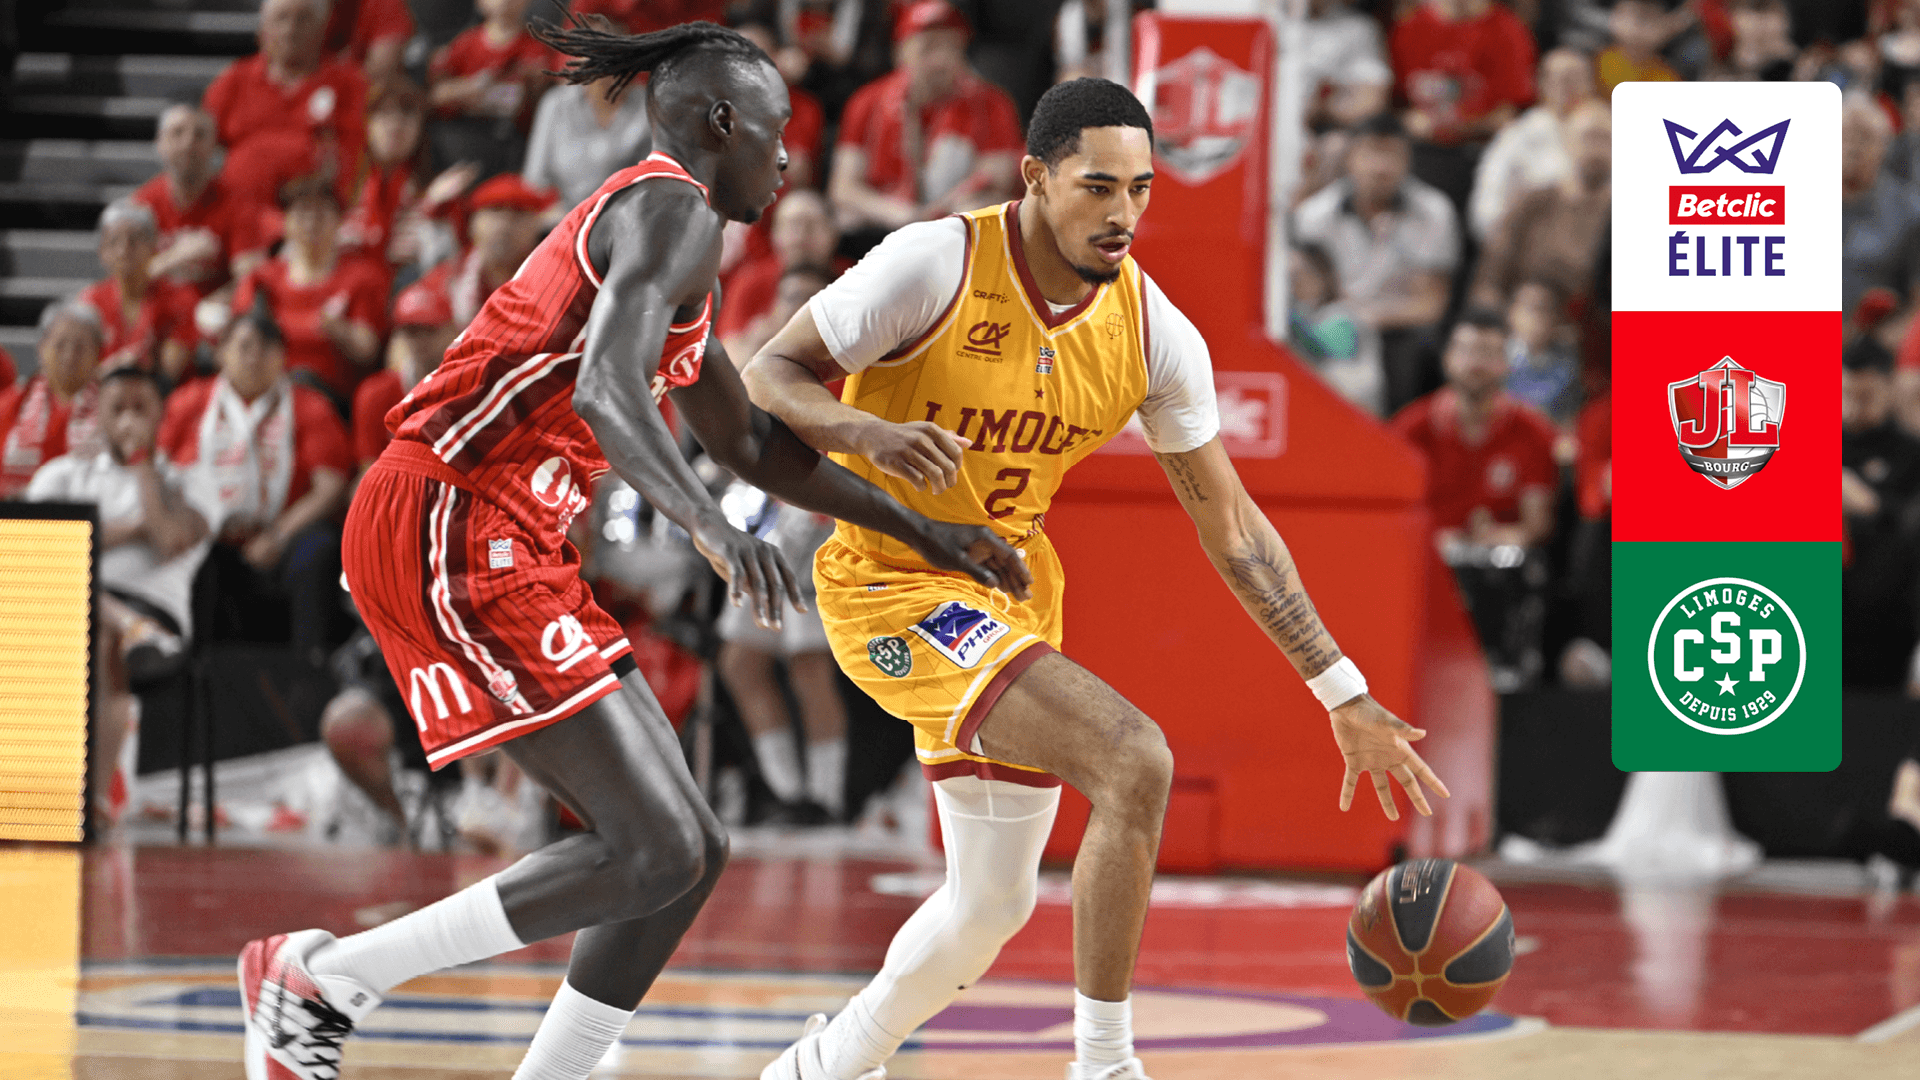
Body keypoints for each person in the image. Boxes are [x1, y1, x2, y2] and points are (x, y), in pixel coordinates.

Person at [234, 23, 1028, 1080]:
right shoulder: (671, 208)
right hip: (452, 512)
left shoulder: (674, 239)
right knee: (656, 845)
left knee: (688, 853)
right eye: (778, 131)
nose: (790, 155)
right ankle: (325, 979)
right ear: (723, 122)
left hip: (504, 529)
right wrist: (707, 524)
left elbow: (751, 445)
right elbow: (610, 388)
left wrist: (929, 530)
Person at [745, 77, 1446, 1080]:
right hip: (891, 582)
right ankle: (1105, 1066)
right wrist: (865, 432)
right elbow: (769, 372)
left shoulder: (1155, 332)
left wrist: (1341, 690)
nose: (1123, 214)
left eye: (1141, 190)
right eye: (1098, 186)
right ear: (1036, 177)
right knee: (1135, 758)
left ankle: (822, 1065)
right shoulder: (934, 261)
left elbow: (1234, 528)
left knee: (990, 906)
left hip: (1013, 595)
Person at [25, 365, 217, 830]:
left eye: (140, 408)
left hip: (156, 618)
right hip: (58, 607)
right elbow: (39, 548)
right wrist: (133, 530)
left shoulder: (189, 481)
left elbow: (170, 539)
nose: (129, 419)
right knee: (79, 602)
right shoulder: (62, 475)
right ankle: (127, 625)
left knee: (99, 637)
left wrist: (142, 465)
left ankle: (91, 803)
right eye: (117, 408)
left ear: (160, 415)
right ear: (98, 415)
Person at [159, 298, 355, 669]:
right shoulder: (188, 402)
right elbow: (160, 474)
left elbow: (330, 487)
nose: (254, 357)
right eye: (244, 346)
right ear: (221, 353)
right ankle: (186, 675)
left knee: (319, 548)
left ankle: (308, 672)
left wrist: (278, 535)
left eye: (266, 348)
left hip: (281, 537)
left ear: (282, 357)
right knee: (182, 551)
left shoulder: (309, 405)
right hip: (209, 539)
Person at [1292, 110, 1459, 415]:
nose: (1381, 167)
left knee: (1414, 346)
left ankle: (1395, 431)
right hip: (1330, 327)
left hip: (1396, 327)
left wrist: (1367, 317)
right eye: (1370, 154)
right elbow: (1305, 293)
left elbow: (1431, 304)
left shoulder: (1434, 212)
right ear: (1350, 158)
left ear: (1408, 160)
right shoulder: (1313, 216)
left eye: (1392, 155)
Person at [829, 1, 1023, 241]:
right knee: (845, 217)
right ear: (900, 51)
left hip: (956, 222)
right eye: (928, 47)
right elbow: (843, 187)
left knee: (984, 207)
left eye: (951, 47)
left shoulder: (992, 103)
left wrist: (933, 214)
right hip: (886, 221)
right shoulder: (867, 101)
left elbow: (998, 175)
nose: (940, 60)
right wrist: (897, 213)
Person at [1391, 308, 1558, 553]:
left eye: (1488, 352)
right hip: (1424, 557)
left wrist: (1500, 537)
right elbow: (1394, 514)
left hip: (1499, 563)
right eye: (1466, 351)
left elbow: (1536, 524)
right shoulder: (1409, 429)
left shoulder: (1533, 431)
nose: (1476, 363)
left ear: (1507, 363)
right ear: (1446, 358)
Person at [230, 174, 391, 405]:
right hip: (267, 384)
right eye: (301, 214)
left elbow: (368, 349)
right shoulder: (262, 278)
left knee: (299, 383)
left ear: (339, 220)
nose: (310, 224)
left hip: (328, 392)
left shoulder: (362, 276)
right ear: (286, 222)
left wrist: (340, 331)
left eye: (320, 214)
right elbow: (240, 337)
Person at [202, 0, 369, 208]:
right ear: (262, 29)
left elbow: (359, 151)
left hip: (317, 212)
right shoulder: (233, 80)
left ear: (323, 27)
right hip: (240, 213)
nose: (290, 29)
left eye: (303, 19)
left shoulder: (350, 82)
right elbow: (201, 145)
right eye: (281, 18)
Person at [1469, 100, 1611, 312]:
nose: (1596, 149)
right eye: (1589, 137)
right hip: (1518, 315)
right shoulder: (1533, 201)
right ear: (1567, 141)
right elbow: (1490, 278)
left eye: (1606, 139)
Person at [132, 105, 269, 297]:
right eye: (177, 133)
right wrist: (179, 256)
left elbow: (250, 278)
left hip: (214, 309)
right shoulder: (141, 205)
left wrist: (216, 304)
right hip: (157, 309)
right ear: (159, 143)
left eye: (199, 135)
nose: (188, 143)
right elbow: (126, 282)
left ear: (215, 145)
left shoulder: (239, 203)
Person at [1467, 47, 1595, 244]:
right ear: (1541, 83)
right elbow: (1488, 199)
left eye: (1575, 78)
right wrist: (1507, 242)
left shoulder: (1608, 135)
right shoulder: (1516, 135)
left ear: (1590, 84)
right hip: (1526, 241)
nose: (1567, 86)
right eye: (1558, 79)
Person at [427, 0, 556, 177]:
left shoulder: (537, 48)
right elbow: (436, 95)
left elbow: (531, 102)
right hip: (465, 135)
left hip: (514, 141)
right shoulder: (465, 43)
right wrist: (471, 88)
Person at [81, 200, 202, 381]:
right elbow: (79, 372)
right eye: (114, 242)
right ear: (102, 251)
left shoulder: (181, 298)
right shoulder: (90, 301)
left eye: (134, 240)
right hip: (101, 393)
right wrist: (119, 367)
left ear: (154, 246)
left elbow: (169, 373)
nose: (123, 250)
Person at [418, 173, 557, 328]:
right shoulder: (444, 282)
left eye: (518, 213)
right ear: (472, 223)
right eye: (495, 211)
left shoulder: (559, 281)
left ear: (537, 225)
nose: (504, 225)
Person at [0, 299, 106, 498]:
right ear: (41, 349)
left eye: (80, 347)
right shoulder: (9, 404)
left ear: (98, 353)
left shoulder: (113, 406)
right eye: (60, 345)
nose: (69, 355)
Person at [351, 281, 458, 474]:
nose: (419, 342)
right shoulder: (375, 394)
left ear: (452, 330)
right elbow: (370, 470)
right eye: (411, 332)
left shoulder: (472, 387)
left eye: (429, 330)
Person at [716, 189, 842, 350]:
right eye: (792, 225)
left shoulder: (853, 277)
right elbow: (728, 351)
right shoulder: (750, 281)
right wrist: (765, 332)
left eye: (811, 225)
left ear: (833, 232)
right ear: (774, 234)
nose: (800, 236)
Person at [523, 69, 654, 210]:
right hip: (561, 212)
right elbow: (535, 180)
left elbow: (652, 180)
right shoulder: (556, 102)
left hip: (624, 211)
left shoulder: (649, 105)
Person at [1286, 242, 1384, 416]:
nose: (1296, 283)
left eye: (1301, 274)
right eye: (1290, 278)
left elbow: (1325, 349)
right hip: (1325, 407)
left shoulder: (1343, 314)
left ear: (1323, 275)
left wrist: (1285, 312)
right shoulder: (1308, 315)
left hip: (1356, 410)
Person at [1597, 0, 1682, 92]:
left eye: (1649, 20)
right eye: (1627, 14)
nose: (1636, 27)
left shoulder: (1668, 79)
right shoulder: (1596, 61)